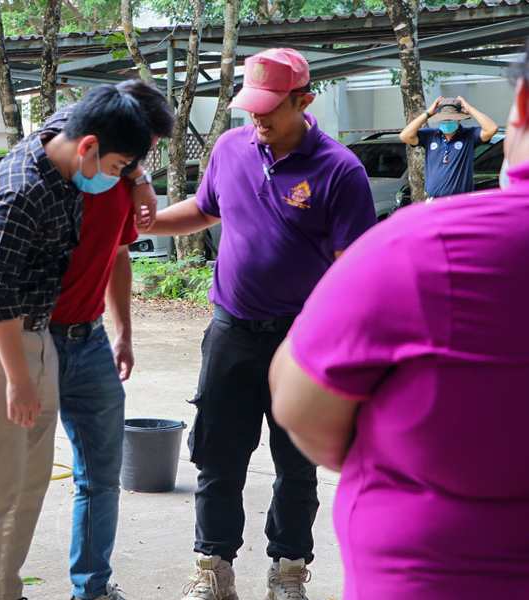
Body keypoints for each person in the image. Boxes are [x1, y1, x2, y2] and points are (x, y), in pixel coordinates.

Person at [268, 47, 529, 600]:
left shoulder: (418, 246)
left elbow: (301, 406)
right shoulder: (436, 139)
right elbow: (409, 136)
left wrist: (384, 456)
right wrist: (437, 110)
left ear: (521, 103)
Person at [142, 47, 377, 600]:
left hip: (303, 340)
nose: (258, 119)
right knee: (218, 457)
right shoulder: (230, 147)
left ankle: (288, 569)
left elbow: (357, 270)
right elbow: (205, 210)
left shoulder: (340, 170)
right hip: (231, 329)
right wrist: (145, 224)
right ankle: (213, 568)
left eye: (270, 108)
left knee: (296, 464)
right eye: (251, 108)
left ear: (304, 100)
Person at [0, 92, 174, 600]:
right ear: (92, 144)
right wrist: (19, 378)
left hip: (56, 336)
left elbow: (118, 247)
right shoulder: (32, 183)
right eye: (124, 162)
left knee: (29, 483)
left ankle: (11, 588)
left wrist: (140, 181)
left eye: (135, 163)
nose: (127, 170)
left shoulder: (80, 165)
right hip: (2, 337)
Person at [399, 95, 498, 198]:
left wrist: (471, 109)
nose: (447, 122)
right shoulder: (429, 135)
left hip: (460, 201)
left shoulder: (470, 135)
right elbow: (404, 136)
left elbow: (492, 129)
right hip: (435, 202)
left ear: (459, 119)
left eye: (451, 119)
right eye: (444, 119)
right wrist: (427, 113)